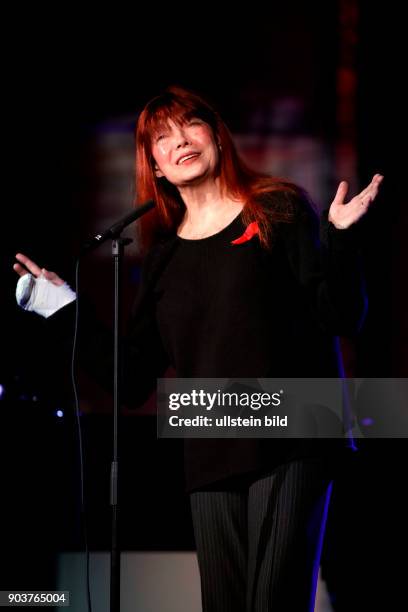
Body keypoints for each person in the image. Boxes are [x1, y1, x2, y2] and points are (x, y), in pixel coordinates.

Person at [14, 86, 383, 611]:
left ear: (215, 134)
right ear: (155, 167)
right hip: (211, 446)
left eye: (190, 125)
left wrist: (342, 239)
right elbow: (133, 376)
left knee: (275, 599)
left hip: (295, 434)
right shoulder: (164, 258)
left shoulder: (277, 208)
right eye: (161, 138)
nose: (180, 141)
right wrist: (64, 307)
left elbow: (342, 316)